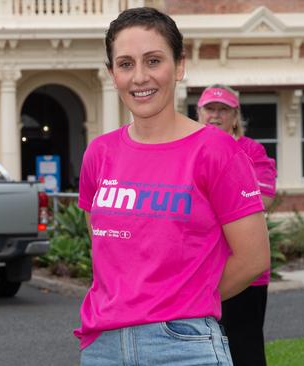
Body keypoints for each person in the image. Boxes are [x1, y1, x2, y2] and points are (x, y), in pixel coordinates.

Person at [75, 7, 270, 365]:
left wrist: (182, 302)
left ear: (179, 66)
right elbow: (104, 250)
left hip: (183, 345)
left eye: (153, 61)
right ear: (111, 73)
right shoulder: (99, 154)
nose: (139, 77)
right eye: (125, 64)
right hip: (104, 346)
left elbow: (254, 258)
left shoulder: (216, 151)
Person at [197, 84, 277, 366]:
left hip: (245, 272)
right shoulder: (189, 149)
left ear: (235, 116)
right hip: (199, 270)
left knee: (244, 350)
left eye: (223, 110)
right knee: (199, 349)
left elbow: (264, 199)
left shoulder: (251, 151)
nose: (215, 115)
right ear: (199, 112)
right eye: (210, 109)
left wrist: (210, 199)